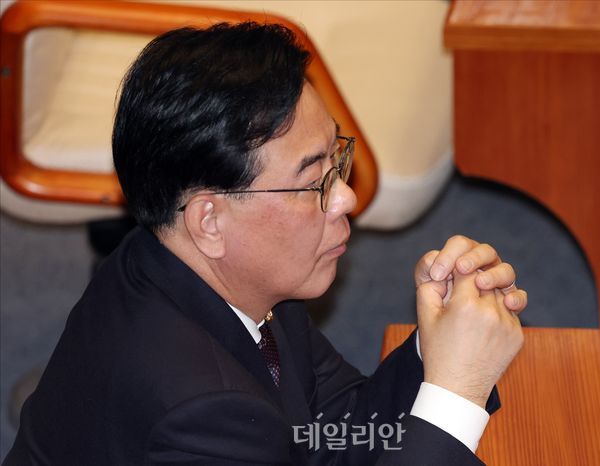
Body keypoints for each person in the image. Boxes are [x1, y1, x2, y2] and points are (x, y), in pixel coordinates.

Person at [4, 22, 527, 465]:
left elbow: (329, 431)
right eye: (314, 181)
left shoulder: (212, 271)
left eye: (336, 160)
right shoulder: (201, 413)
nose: (346, 198)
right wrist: (457, 393)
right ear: (209, 221)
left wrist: (435, 350)